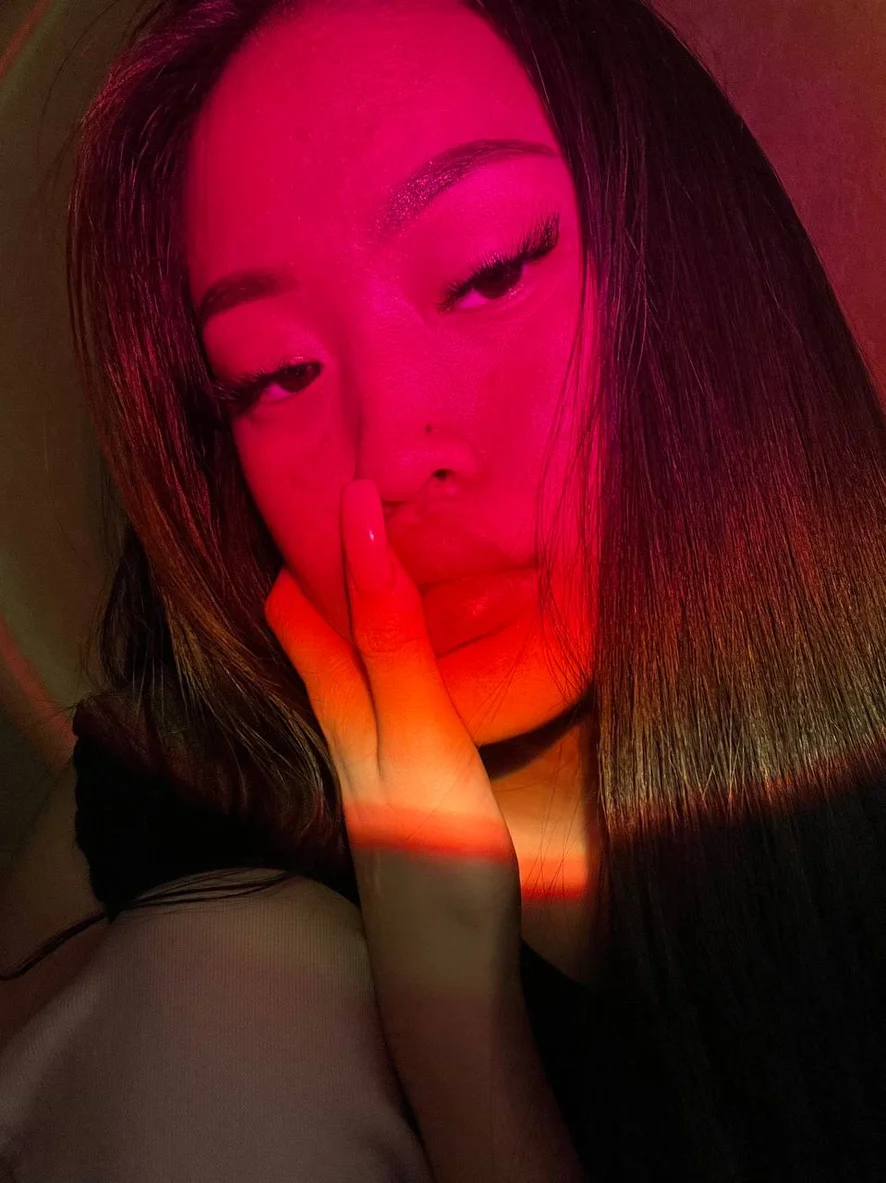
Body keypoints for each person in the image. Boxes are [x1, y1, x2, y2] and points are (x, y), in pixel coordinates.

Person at [1, 0, 885, 1178]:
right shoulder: (161, 811)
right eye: (277, 374)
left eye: (486, 273)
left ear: (691, 251)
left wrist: (464, 1049)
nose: (389, 454)